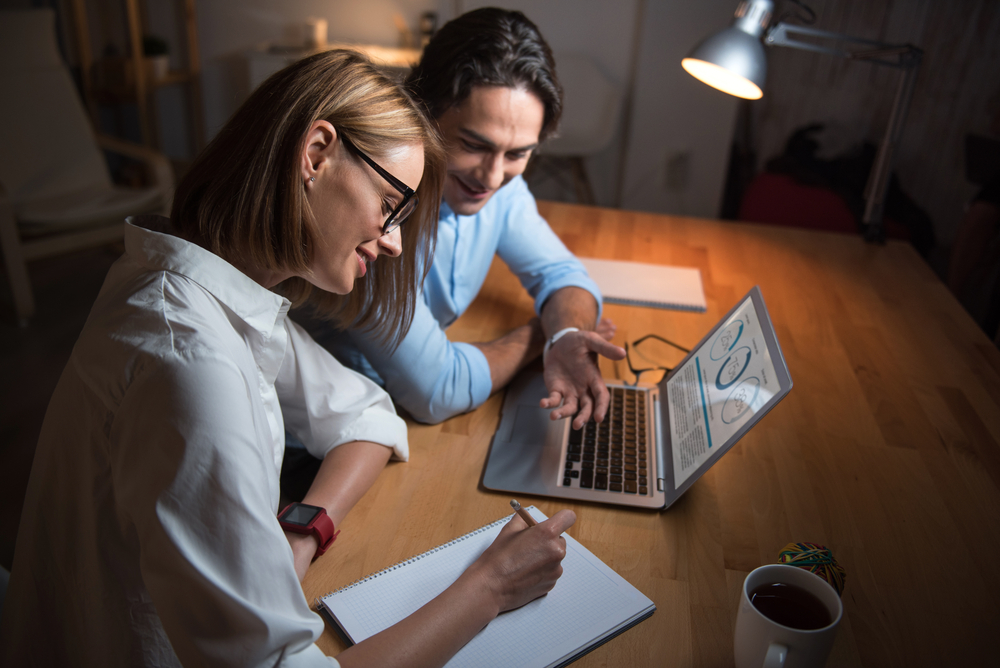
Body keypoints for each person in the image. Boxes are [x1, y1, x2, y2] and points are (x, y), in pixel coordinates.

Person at [0, 49, 575, 667]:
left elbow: (368, 414)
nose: (394, 242)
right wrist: (488, 588)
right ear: (317, 153)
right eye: (390, 206)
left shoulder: (214, 287)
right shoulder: (189, 362)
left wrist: (301, 534)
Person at [309, 8, 625, 429]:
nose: (492, 177)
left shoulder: (501, 188)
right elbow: (438, 391)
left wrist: (565, 336)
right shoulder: (373, 215)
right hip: (328, 432)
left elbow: (563, 274)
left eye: (517, 154)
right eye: (475, 145)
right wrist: (540, 335)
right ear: (423, 110)